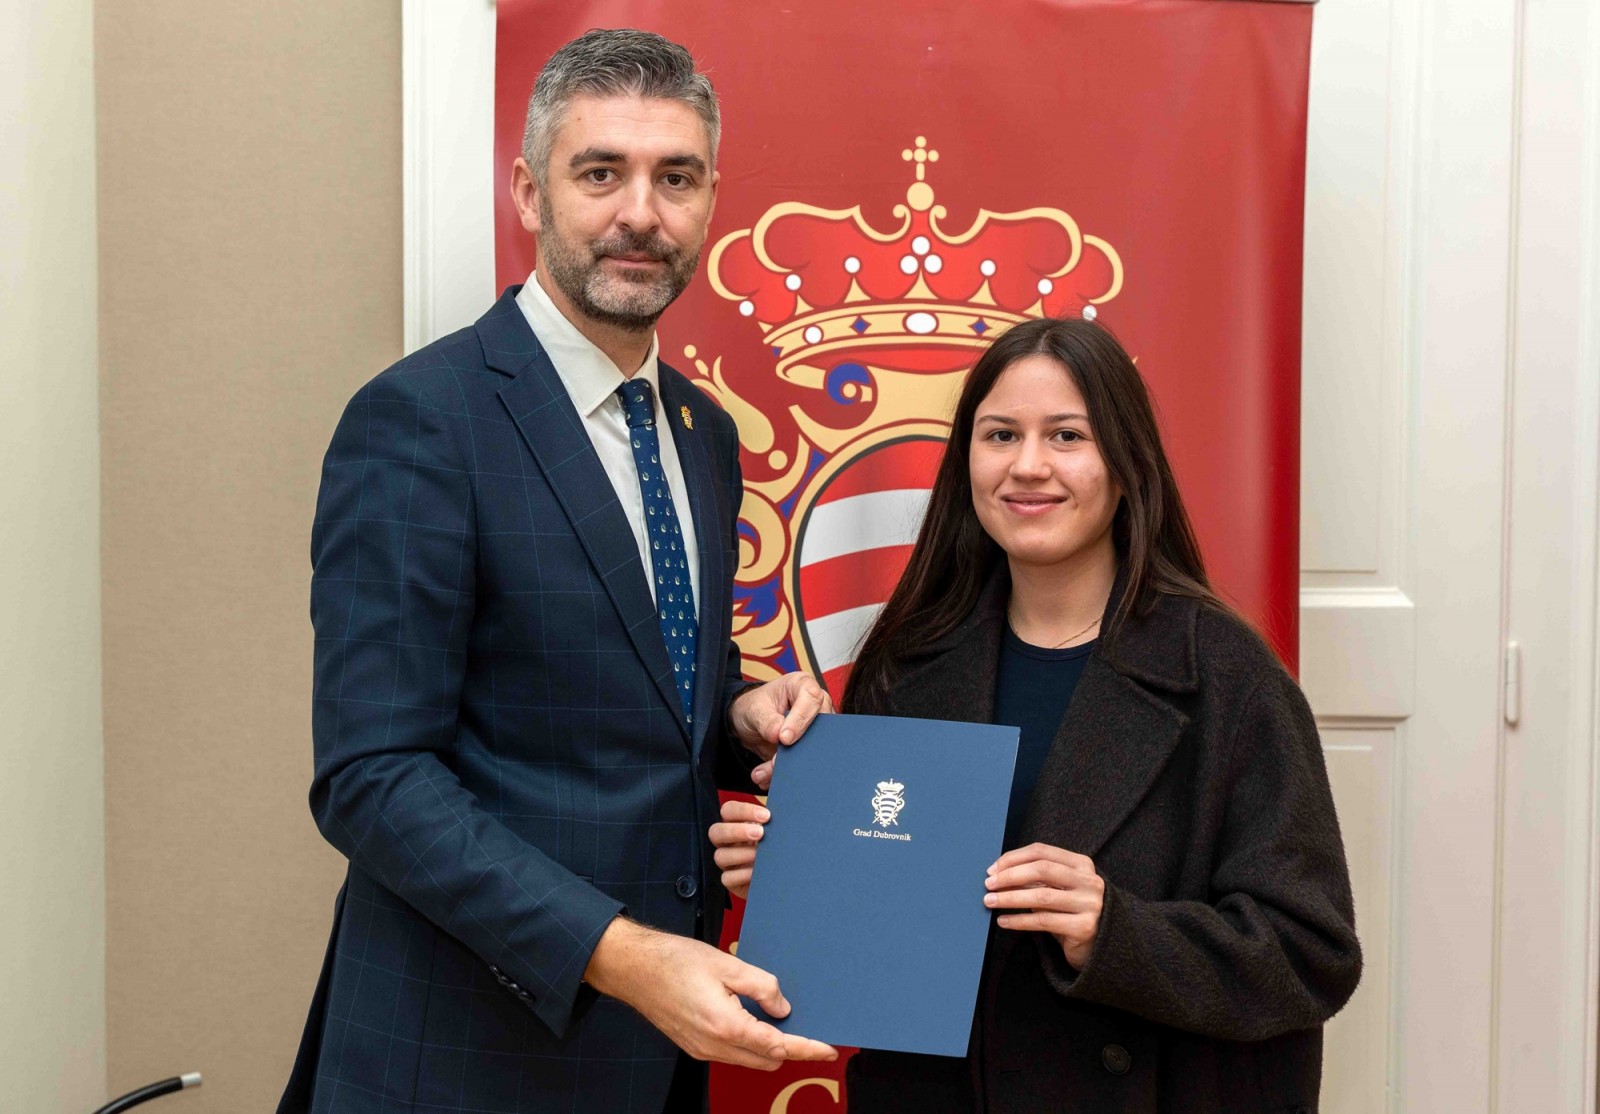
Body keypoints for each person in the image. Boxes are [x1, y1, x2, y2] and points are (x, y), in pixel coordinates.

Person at [279, 29, 837, 1114]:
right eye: (601, 173)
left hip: (655, 1058)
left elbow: (639, 672)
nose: (641, 213)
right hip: (464, 1058)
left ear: (712, 200)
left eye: (676, 177)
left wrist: (738, 712)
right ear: (530, 194)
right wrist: (624, 955)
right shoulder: (421, 421)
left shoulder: (703, 432)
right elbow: (372, 777)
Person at [710, 317, 1361, 1113]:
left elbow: (1310, 955)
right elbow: (894, 925)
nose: (1027, 465)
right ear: (966, 462)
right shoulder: (907, 662)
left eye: (1066, 436)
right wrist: (802, 875)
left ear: (1126, 464)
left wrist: (1113, 932)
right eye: (1000, 435)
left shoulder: (1227, 675)